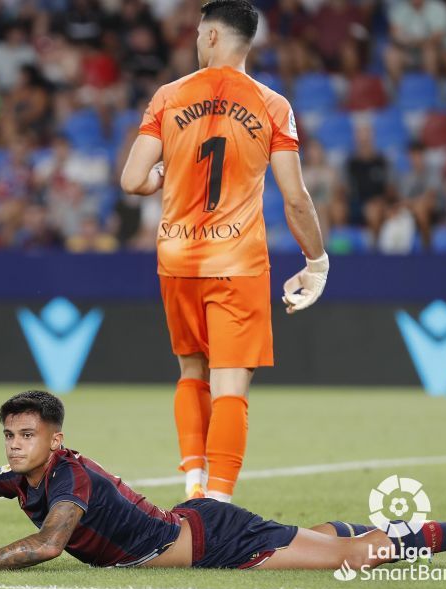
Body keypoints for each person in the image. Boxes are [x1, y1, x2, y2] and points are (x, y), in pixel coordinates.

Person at [0, 390, 446, 571]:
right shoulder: (26, 479)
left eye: (26, 435)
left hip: (215, 541)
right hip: (199, 523)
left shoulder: (69, 481)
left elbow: (47, 546)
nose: (15, 445)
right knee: (320, 537)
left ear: (54, 439)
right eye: (10, 435)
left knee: (351, 557)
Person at [120, 0, 328, 503]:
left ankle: (192, 485)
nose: (195, 41)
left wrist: (160, 179)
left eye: (197, 34)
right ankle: (217, 502)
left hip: (176, 262)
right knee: (231, 384)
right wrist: (316, 261)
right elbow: (295, 198)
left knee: (192, 373)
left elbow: (130, 180)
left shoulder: (169, 96)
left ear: (212, 37)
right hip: (236, 264)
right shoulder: (272, 105)